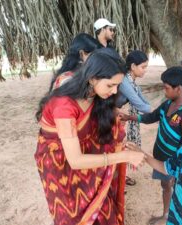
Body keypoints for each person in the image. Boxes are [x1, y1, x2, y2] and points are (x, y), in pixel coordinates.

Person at [34, 50, 146, 225]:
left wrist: (115, 114)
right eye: (110, 85)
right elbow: (76, 161)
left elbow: (95, 112)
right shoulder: (63, 105)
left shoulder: (93, 92)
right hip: (60, 164)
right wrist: (124, 156)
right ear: (92, 78)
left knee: (101, 205)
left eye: (118, 85)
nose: (115, 90)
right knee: (73, 214)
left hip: (84, 152)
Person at [121, 66, 182, 225]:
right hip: (159, 156)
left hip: (173, 162)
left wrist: (178, 165)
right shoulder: (167, 105)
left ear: (179, 89)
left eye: (166, 88)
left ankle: (172, 217)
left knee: (173, 187)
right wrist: (129, 117)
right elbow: (151, 117)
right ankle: (166, 215)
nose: (164, 91)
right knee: (165, 185)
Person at [117, 50, 151, 147]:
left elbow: (144, 102)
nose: (145, 70)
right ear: (133, 66)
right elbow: (141, 106)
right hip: (109, 115)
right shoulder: (124, 82)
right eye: (143, 67)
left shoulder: (133, 84)